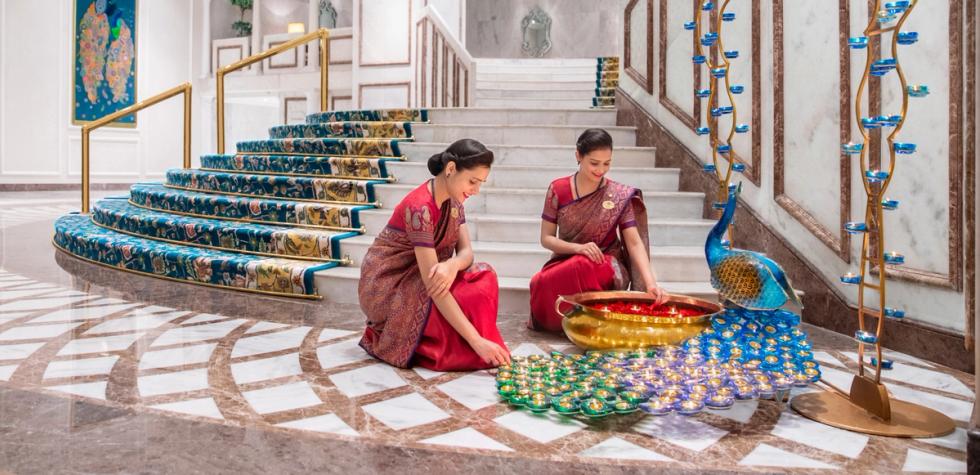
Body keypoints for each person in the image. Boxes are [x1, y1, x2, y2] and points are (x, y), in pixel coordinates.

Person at [358, 139, 511, 370]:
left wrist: (451, 265)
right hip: (390, 285)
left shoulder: (455, 202)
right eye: (472, 181)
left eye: (480, 183)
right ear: (450, 169)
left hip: (427, 276)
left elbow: (467, 253)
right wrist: (476, 341)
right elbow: (434, 286)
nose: (476, 190)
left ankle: (460, 340)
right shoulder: (420, 207)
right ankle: (471, 345)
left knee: (483, 280)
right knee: (462, 304)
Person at [528, 128, 668, 332]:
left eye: (607, 163)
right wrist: (579, 248)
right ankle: (563, 323)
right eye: (594, 163)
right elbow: (546, 239)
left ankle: (591, 322)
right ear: (578, 155)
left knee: (584, 266)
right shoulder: (558, 189)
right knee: (539, 282)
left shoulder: (618, 195)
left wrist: (650, 283)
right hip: (565, 261)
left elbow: (634, 242)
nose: (600, 170)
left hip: (607, 264)